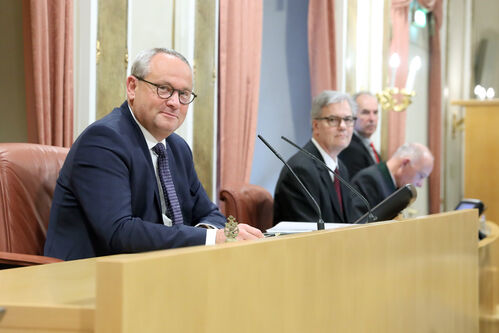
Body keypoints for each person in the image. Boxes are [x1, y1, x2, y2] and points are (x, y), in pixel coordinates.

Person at [44, 48, 263, 260]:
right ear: (132, 87)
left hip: (155, 275)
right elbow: (120, 231)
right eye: (164, 89)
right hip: (89, 281)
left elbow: (211, 214)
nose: (174, 102)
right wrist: (210, 238)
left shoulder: (177, 148)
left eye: (183, 94)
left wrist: (210, 233)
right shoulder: (103, 141)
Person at [273, 90, 363, 225]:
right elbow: (310, 234)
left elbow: (349, 221)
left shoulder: (341, 168)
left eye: (348, 119)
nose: (343, 126)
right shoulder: (301, 170)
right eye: (333, 120)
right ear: (316, 126)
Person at [351, 143, 434, 208]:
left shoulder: (395, 185)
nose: (420, 184)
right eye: (421, 176)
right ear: (405, 163)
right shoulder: (368, 180)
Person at [338, 91, 381, 177]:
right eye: (365, 112)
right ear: (351, 115)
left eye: (375, 112)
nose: (372, 118)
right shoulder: (350, 148)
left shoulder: (369, 146)